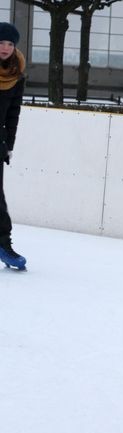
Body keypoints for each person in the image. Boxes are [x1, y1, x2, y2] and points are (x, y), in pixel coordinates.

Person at [0, 22, 26, 270]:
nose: (5, 48)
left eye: (10, 44)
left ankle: (4, 245)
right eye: (1, 43)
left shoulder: (16, 75)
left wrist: (9, 144)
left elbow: (13, 114)